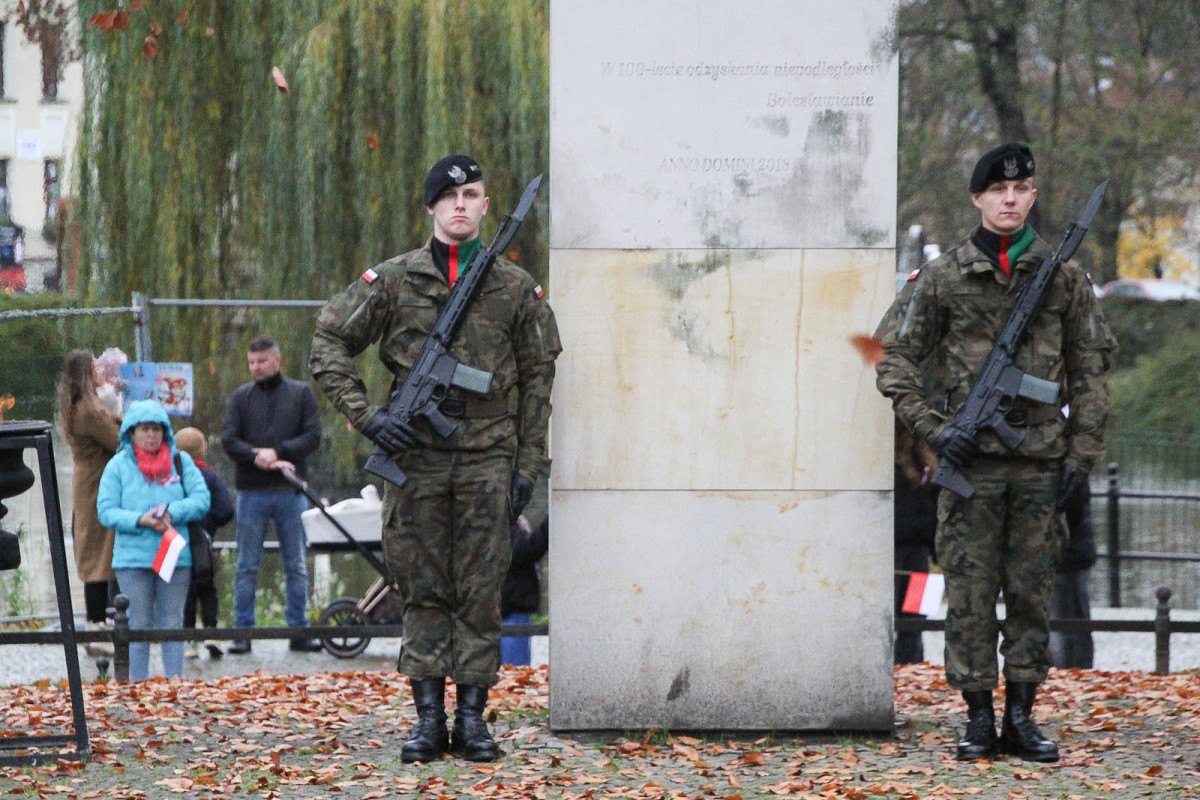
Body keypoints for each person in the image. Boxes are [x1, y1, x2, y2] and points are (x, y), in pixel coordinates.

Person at [310, 154, 560, 763]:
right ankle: (427, 721)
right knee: (420, 590)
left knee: (480, 591)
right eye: (449, 197)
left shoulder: (513, 289)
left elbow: (537, 379)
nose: (460, 205)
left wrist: (529, 466)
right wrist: (368, 417)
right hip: (415, 461)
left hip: (487, 462)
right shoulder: (394, 281)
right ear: (430, 207)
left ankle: (473, 721)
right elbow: (328, 341)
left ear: (484, 205)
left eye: (472, 194)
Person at [873, 142, 1115, 763]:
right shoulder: (944, 276)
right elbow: (891, 355)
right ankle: (978, 718)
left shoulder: (1062, 277)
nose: (1010, 199)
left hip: (1041, 466)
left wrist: (1080, 458)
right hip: (971, 467)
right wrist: (933, 427)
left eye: (1022, 189)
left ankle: (1022, 717)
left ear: (1032, 196)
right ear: (978, 198)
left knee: (1032, 595)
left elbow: (1090, 370)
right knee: (971, 598)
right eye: (998, 191)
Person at [221, 335, 323, 654]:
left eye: (262, 361)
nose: (256, 367)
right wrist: (256, 456)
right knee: (247, 564)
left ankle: (298, 630)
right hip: (251, 492)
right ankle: (243, 631)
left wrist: (278, 451)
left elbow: (313, 435)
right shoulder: (240, 398)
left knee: (295, 563)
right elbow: (228, 439)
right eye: (251, 362)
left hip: (290, 491)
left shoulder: (300, 394)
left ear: (277, 361)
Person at [96, 400, 211, 680]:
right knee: (137, 624)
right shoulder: (117, 466)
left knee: (173, 621)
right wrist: (140, 520)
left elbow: (201, 500)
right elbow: (106, 511)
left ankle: (175, 683)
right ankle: (137, 685)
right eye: (145, 429)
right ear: (131, 433)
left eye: (157, 429)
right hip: (133, 559)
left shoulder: (180, 462)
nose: (151, 435)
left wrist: (172, 512)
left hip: (174, 556)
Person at [55, 349, 122, 657]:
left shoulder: (78, 407)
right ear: (86, 374)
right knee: (98, 555)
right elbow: (117, 439)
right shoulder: (90, 412)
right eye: (96, 367)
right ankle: (98, 626)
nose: (100, 371)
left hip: (88, 483)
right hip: (97, 484)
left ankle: (99, 623)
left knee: (93, 551)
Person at [175, 427, 234, 660]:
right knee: (207, 587)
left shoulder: (172, 477)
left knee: (186, 589)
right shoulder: (210, 477)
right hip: (203, 543)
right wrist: (210, 525)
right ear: (202, 450)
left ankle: (189, 641)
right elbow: (226, 510)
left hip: (177, 542)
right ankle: (210, 632)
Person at [893, 419, 938, 665]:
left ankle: (912, 666)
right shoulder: (891, 467)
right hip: (897, 551)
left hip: (920, 551)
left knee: (916, 617)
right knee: (896, 616)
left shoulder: (927, 462)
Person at [1049, 478, 1096, 669]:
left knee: (1068, 628)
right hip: (1067, 553)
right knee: (1067, 625)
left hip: (1067, 555)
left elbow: (1073, 510)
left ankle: (1073, 674)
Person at [500, 514, 548, 666]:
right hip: (511, 606)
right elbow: (528, 548)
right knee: (513, 668)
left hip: (508, 605)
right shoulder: (506, 527)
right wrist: (551, 521)